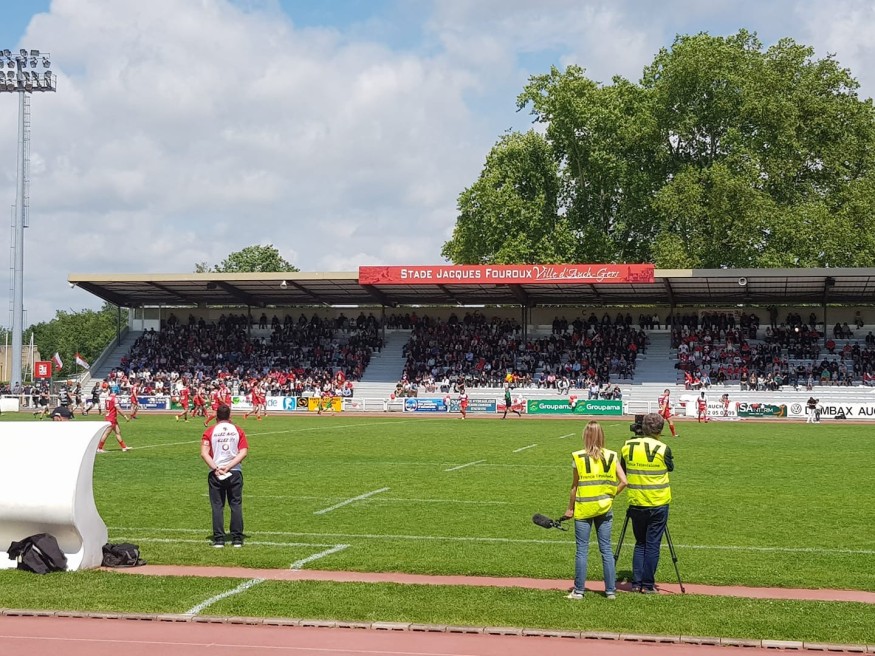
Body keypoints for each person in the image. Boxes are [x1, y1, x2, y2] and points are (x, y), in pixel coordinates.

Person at [563, 421, 627, 600]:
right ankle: (610, 591)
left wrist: (570, 508)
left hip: (584, 508)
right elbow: (624, 481)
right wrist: (611, 495)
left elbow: (574, 486)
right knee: (606, 549)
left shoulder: (578, 456)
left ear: (585, 435)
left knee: (582, 550)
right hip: (604, 508)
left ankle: (579, 591)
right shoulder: (611, 455)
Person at [620, 413, 674, 594]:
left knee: (640, 543)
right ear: (660, 429)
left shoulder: (627, 446)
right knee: (652, 544)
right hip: (658, 501)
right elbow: (670, 467)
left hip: (636, 501)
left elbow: (623, 469)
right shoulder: (663, 448)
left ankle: (636, 583)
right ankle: (648, 584)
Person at [201, 404, 249, 548]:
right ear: (230, 416)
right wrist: (229, 466)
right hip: (235, 471)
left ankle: (219, 540)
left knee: (217, 506)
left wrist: (216, 468)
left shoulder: (210, 431)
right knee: (235, 504)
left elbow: (204, 453)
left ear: (216, 416)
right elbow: (243, 452)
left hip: (216, 472)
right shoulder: (237, 430)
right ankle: (237, 538)